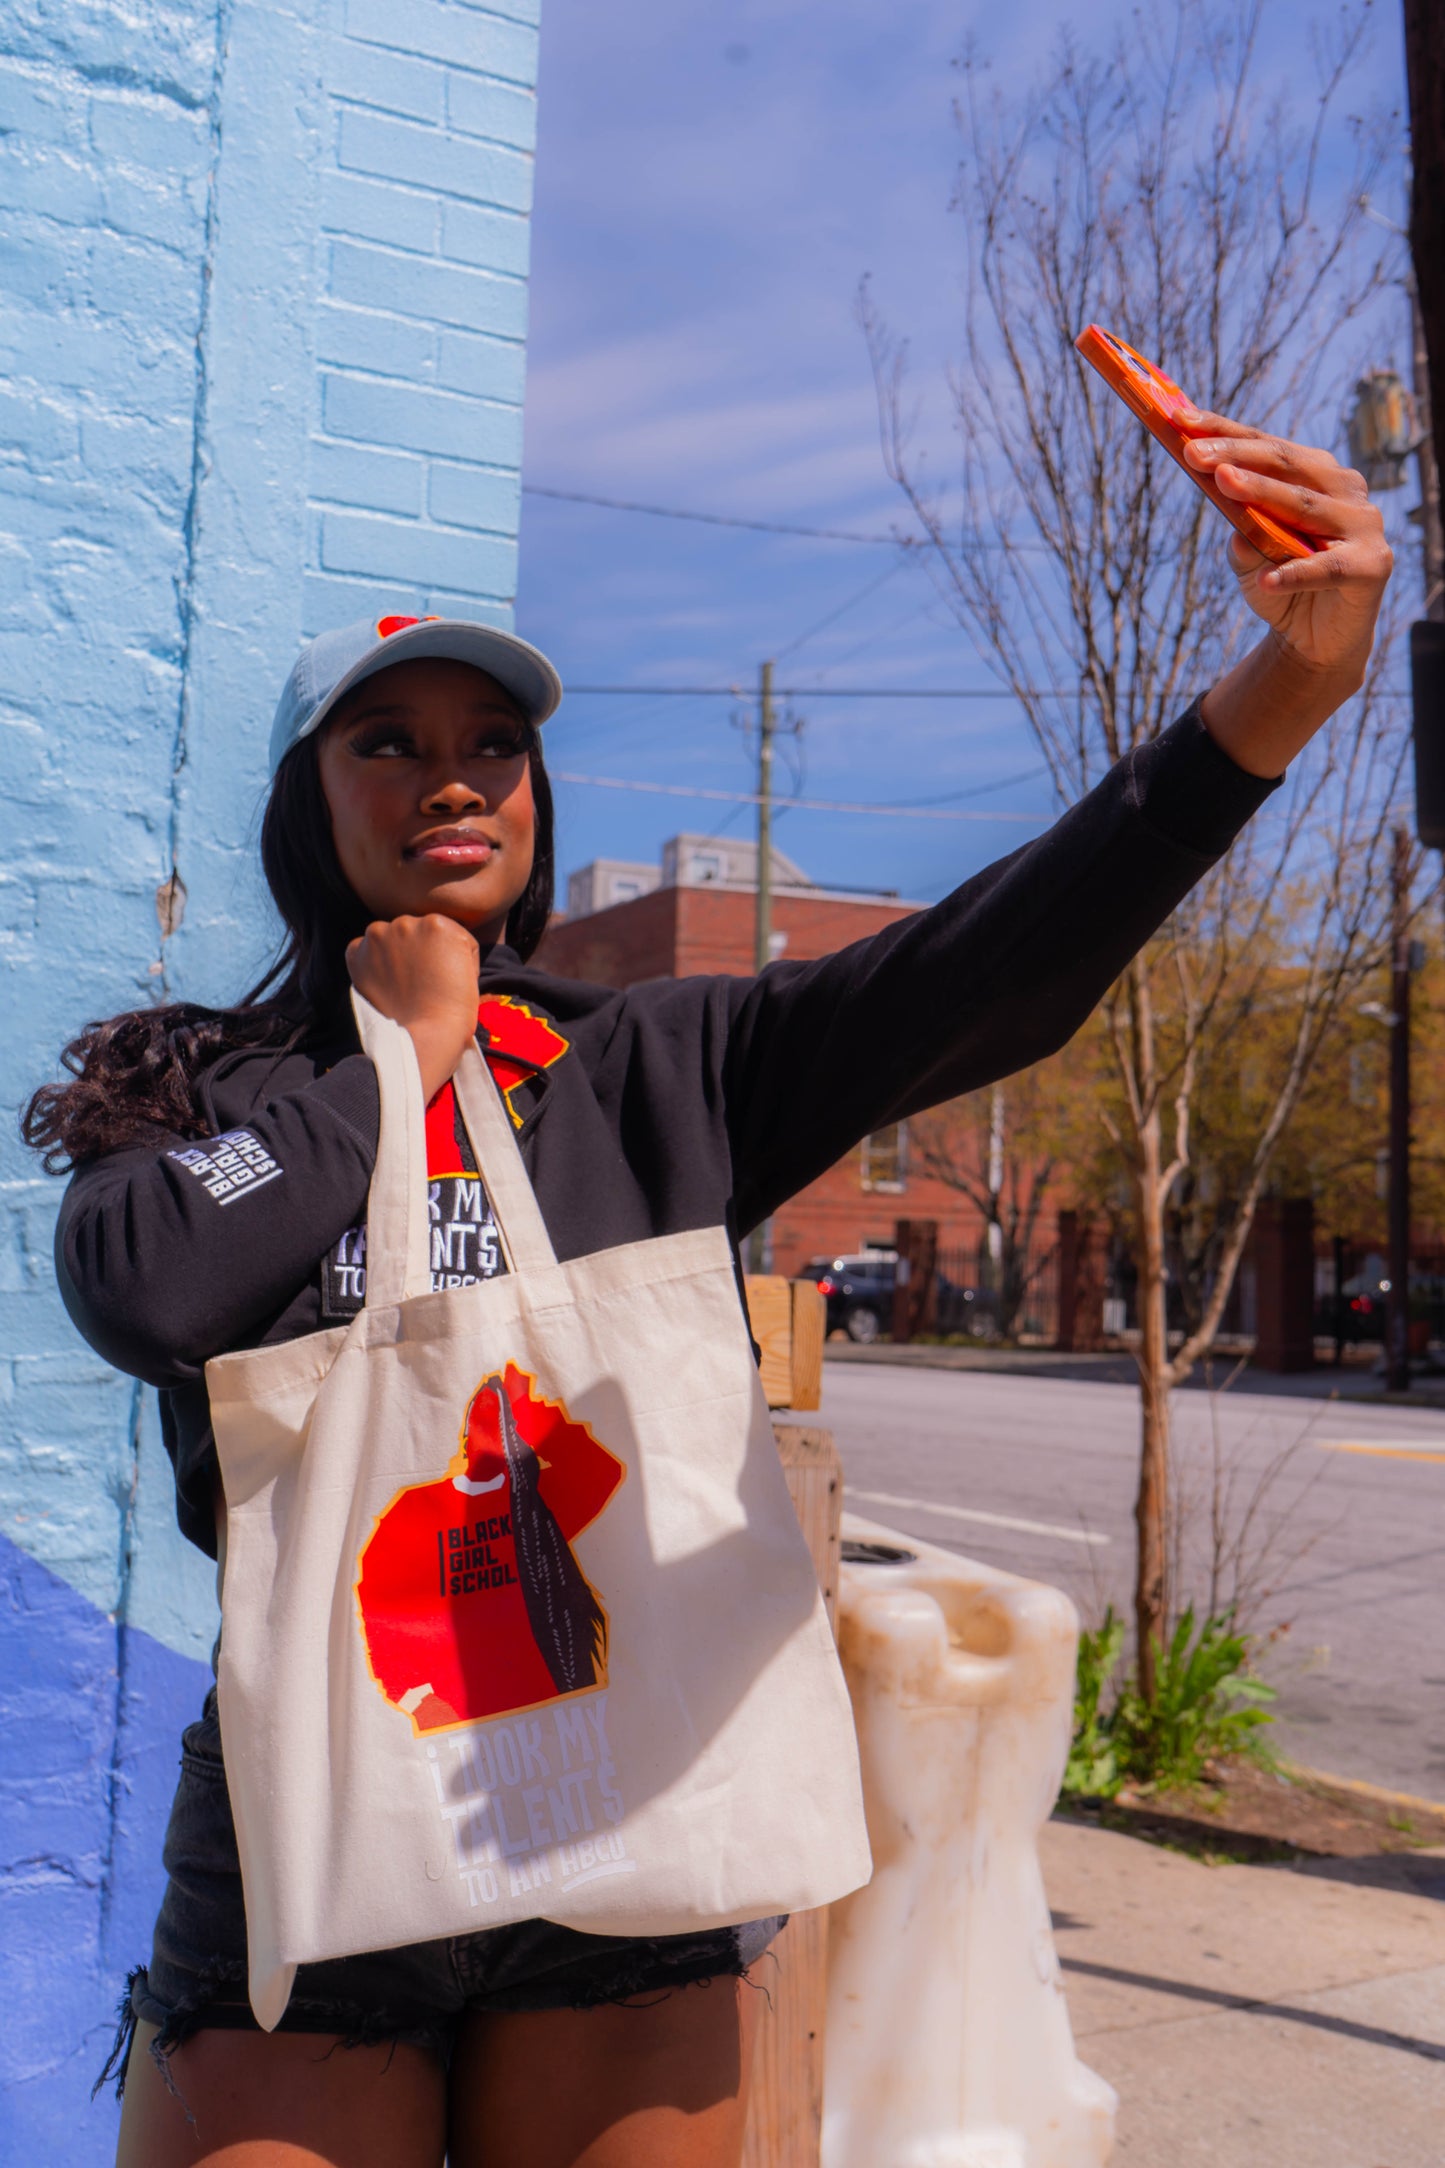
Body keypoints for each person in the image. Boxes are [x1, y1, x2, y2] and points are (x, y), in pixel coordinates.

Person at [25, 416, 1389, 2168]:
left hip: (636, 1793)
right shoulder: (204, 1082)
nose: (453, 780)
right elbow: (144, 1290)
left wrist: (1277, 697)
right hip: (319, 1810)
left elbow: (992, 970)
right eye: (392, 744)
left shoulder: (660, 1062)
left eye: (494, 748)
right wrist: (398, 1057)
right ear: (310, 795)